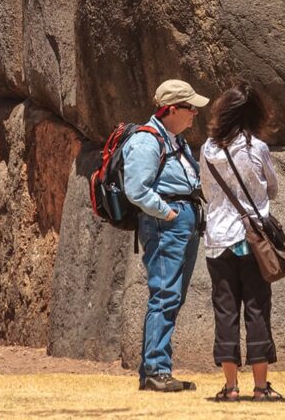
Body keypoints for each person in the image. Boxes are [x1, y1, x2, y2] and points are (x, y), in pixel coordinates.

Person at [123, 78, 210, 392]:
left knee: (172, 296)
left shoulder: (176, 140)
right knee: (164, 295)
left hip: (183, 221)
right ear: (172, 109)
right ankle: (156, 370)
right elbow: (136, 189)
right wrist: (168, 212)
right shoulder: (147, 141)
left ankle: (155, 368)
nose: (195, 113)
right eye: (190, 108)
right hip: (165, 223)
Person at [200, 82, 284, 403]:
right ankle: (261, 387)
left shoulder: (208, 149)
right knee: (257, 308)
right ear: (255, 113)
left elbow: (207, 191)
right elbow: (272, 188)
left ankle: (230, 387)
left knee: (225, 311)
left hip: (218, 240)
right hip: (253, 241)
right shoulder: (256, 148)